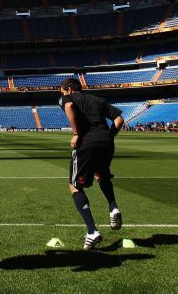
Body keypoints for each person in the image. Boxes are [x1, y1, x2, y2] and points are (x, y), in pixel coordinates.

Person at [59, 77, 124, 251]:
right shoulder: (99, 100)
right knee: (100, 175)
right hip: (106, 142)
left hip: (86, 143)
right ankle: (113, 208)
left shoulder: (69, 98)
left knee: (74, 186)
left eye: (62, 92)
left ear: (69, 90)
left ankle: (92, 231)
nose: (62, 95)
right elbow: (119, 120)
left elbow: (68, 107)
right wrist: (108, 137)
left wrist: (76, 133)